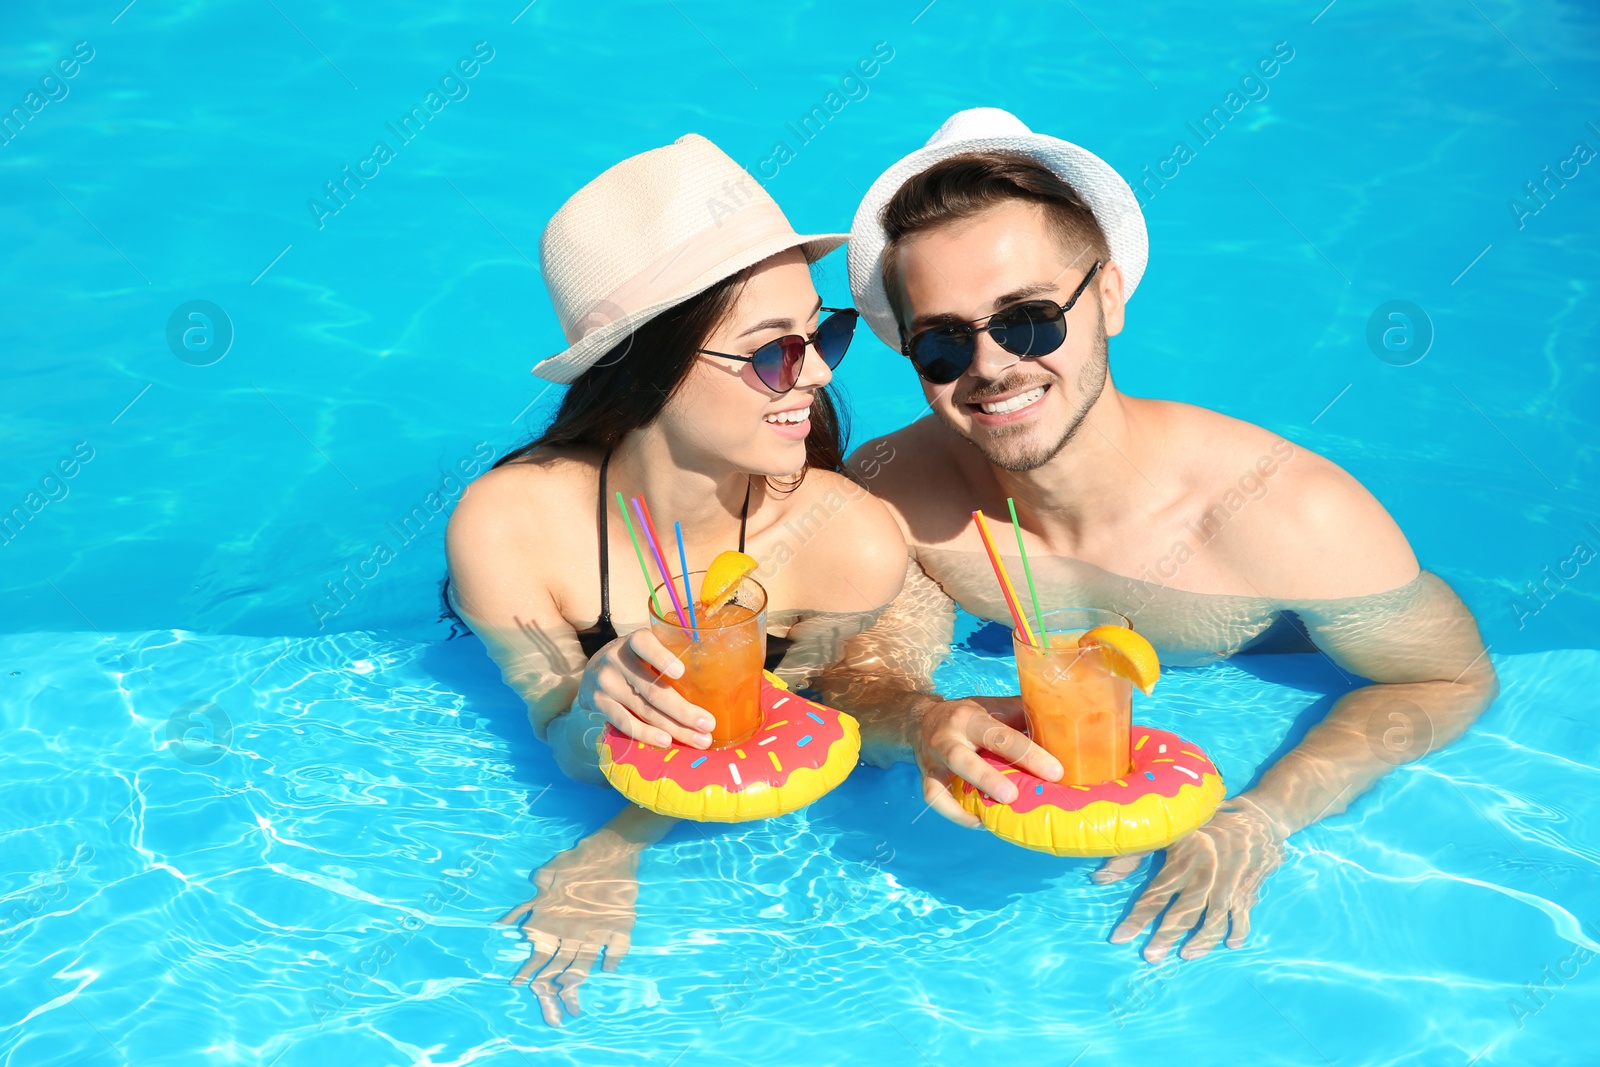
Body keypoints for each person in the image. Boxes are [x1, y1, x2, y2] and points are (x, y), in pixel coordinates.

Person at [815, 108, 1499, 964]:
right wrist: (923, 718)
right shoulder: (897, 494)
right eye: (943, 343)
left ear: (1106, 297)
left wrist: (1263, 815)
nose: (989, 366)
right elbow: (853, 679)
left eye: (1027, 318)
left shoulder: (1291, 516)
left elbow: (1448, 676)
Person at [442, 134, 907, 1025]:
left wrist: (620, 842)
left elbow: (780, 734)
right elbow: (561, 745)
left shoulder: (846, 544)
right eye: (773, 350)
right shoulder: (510, 528)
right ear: (649, 367)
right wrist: (587, 705)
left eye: (823, 333)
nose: (813, 373)